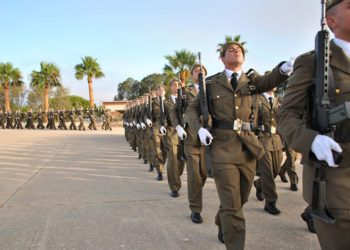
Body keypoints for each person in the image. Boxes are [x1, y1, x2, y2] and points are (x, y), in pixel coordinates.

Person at [187, 40, 291, 249]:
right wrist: (199, 129)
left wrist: (283, 69)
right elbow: (192, 110)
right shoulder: (211, 83)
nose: (236, 51)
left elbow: (269, 81)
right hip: (222, 148)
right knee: (233, 206)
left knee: (240, 199)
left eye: (239, 49)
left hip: (248, 147)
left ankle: (221, 221)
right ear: (222, 58)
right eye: (230, 50)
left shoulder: (252, 82)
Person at [276, 1, 350, 248]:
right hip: (338, 180)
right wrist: (311, 140)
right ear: (331, 21)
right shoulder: (313, 62)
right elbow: (286, 115)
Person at [254, 89, 284, 215]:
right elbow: (254, 120)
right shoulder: (258, 100)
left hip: (276, 139)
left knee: (276, 170)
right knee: (268, 172)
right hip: (263, 138)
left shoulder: (279, 100)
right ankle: (271, 202)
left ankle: (259, 183)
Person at [165, 78, 185, 197]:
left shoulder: (184, 98)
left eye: (178, 85)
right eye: (174, 84)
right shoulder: (166, 102)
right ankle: (174, 186)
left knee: (181, 160)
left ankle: (177, 175)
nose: (176, 86)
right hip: (171, 131)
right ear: (170, 87)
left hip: (185, 132)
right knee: (172, 159)